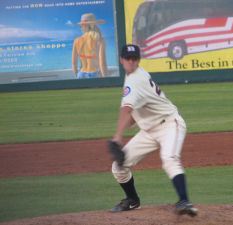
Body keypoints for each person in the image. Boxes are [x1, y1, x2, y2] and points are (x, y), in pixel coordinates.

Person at [110, 44, 198, 216]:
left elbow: (126, 110)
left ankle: (184, 201)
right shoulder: (134, 77)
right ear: (121, 60)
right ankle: (132, 200)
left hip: (170, 125)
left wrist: (117, 137)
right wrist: (122, 132)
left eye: (134, 58)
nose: (131, 61)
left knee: (169, 159)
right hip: (149, 131)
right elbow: (134, 114)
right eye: (128, 58)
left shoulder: (135, 79)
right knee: (118, 166)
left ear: (139, 59)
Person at [72, 13, 108, 79]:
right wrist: (105, 78)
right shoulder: (100, 40)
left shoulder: (76, 41)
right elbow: (102, 63)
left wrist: (75, 74)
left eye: (81, 26)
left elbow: (74, 63)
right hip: (94, 74)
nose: (81, 28)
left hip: (81, 74)